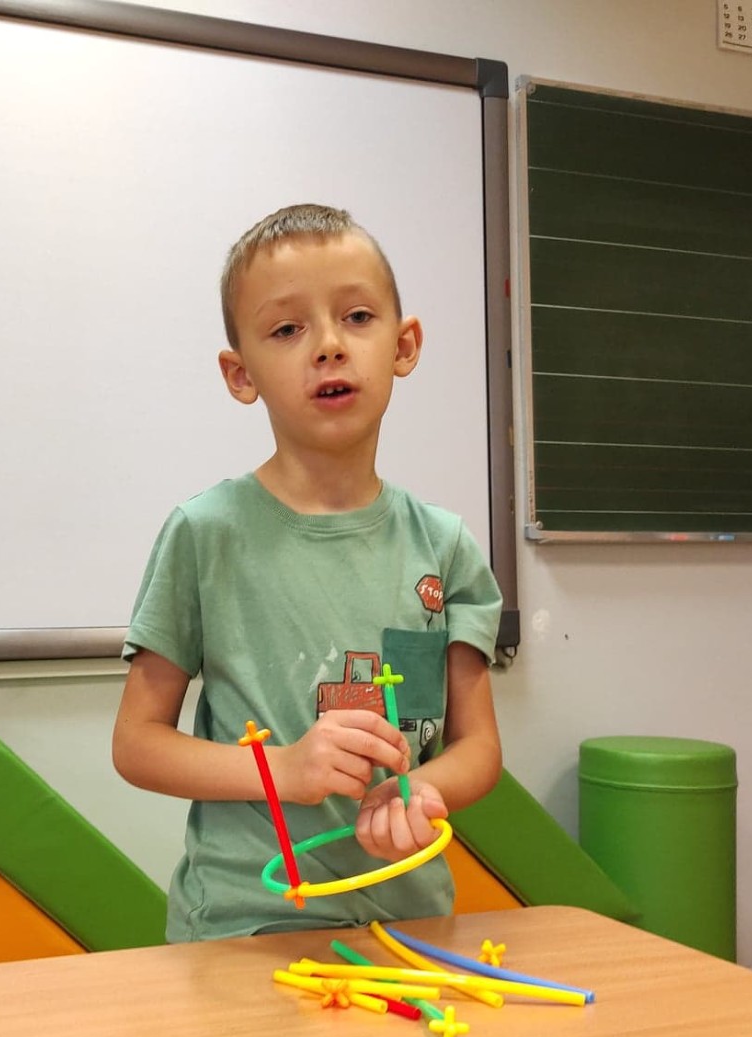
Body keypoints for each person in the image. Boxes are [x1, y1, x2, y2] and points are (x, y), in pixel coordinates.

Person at [112, 203, 503, 942]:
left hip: (409, 922)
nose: (327, 346)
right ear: (241, 374)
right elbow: (137, 743)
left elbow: (477, 747)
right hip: (244, 928)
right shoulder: (205, 534)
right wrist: (284, 770)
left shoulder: (444, 545)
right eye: (288, 329)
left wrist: (419, 791)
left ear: (404, 345)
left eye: (356, 317)